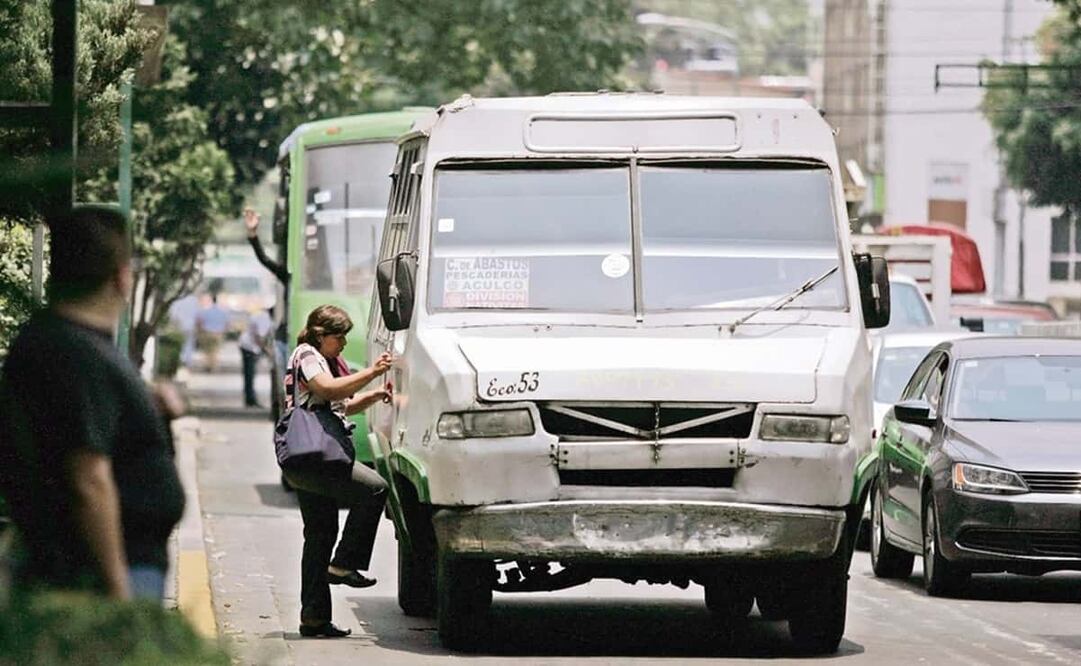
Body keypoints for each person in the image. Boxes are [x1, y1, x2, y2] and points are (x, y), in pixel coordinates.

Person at [0, 205, 186, 601]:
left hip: (112, 564)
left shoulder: (70, 343)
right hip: (102, 573)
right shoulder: (72, 351)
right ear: (121, 277)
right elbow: (88, 479)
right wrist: (117, 592)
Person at [283, 305, 392, 638]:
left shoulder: (324, 360)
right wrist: (372, 372)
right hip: (314, 457)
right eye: (339, 337)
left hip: (309, 459)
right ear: (321, 335)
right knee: (374, 488)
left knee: (319, 535)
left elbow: (341, 403)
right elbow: (328, 389)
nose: (344, 343)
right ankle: (344, 563)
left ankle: (314, 618)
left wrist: (374, 395)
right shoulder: (308, 355)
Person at [238, 306, 273, 408]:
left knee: (249, 375)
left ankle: (250, 399)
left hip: (246, 345)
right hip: (249, 347)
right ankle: (250, 399)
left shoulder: (262, 316)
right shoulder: (265, 319)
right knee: (249, 374)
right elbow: (259, 337)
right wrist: (267, 351)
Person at [195, 294, 230, 372]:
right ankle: (213, 366)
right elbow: (227, 323)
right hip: (218, 333)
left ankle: (208, 365)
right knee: (215, 350)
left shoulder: (205, 310)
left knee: (207, 350)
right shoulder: (223, 311)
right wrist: (224, 331)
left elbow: (199, 321)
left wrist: (200, 331)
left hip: (207, 332)